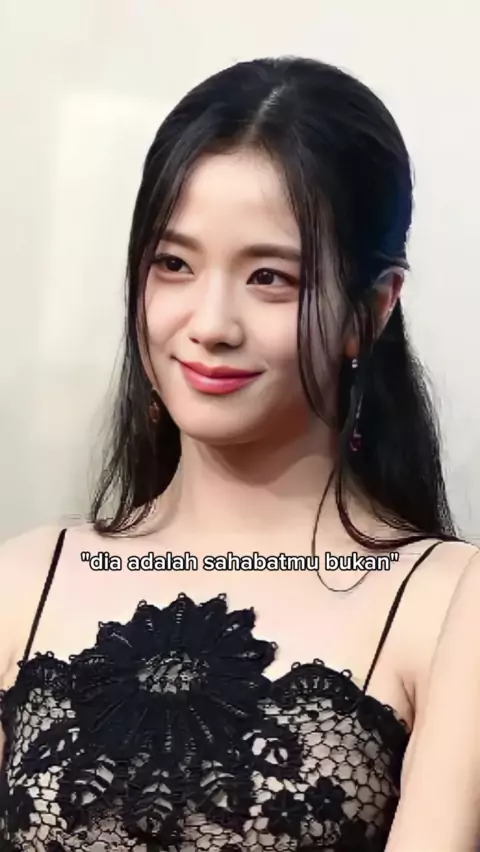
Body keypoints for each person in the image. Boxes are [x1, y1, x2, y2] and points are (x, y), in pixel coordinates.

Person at [0, 56, 478, 852]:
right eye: (174, 265)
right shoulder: (21, 583)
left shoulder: (451, 604)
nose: (211, 323)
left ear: (370, 310)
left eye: (269, 277)